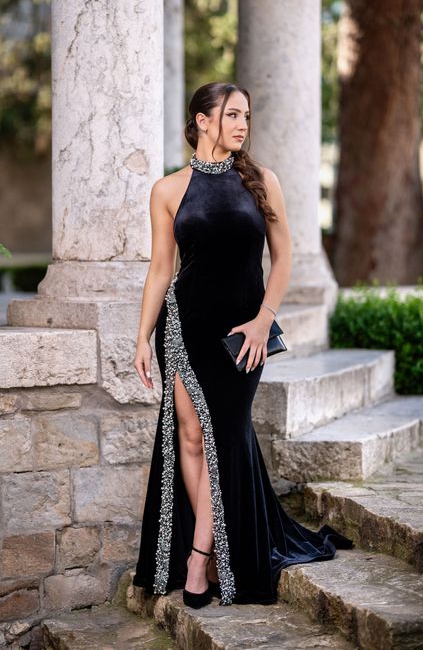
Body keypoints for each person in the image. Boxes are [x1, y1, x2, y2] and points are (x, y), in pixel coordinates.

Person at [131, 81, 351, 609]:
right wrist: (141, 336)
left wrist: (262, 321)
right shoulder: (167, 190)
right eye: (232, 114)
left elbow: (284, 256)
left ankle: (199, 560)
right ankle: (207, 550)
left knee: (224, 437)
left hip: (243, 334)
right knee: (190, 438)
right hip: (184, 327)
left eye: (246, 116)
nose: (242, 124)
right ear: (202, 121)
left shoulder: (261, 180)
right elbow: (161, 269)